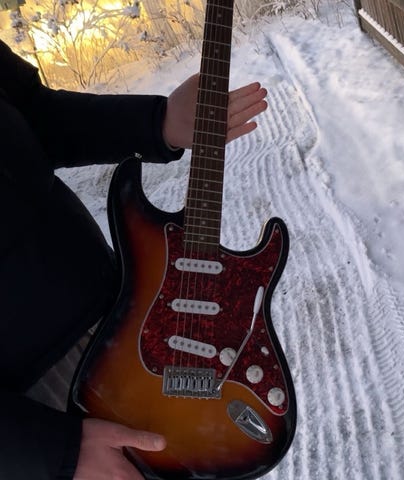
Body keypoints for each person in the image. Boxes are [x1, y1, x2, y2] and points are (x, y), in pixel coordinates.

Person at [0, 39, 268, 479]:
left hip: (123, 312)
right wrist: (51, 451)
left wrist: (157, 122)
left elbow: (31, 111)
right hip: (40, 404)